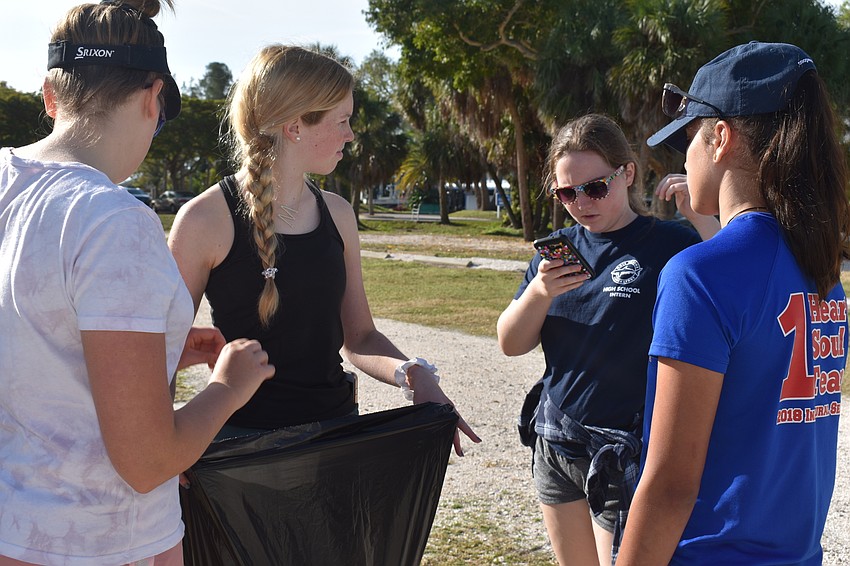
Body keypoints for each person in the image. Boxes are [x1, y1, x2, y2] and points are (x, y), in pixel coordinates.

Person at [0, 1, 275, 564]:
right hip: (101, 540)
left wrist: (163, 354)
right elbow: (148, 461)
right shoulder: (112, 218)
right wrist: (229, 386)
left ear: (51, 96)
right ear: (154, 98)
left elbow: (33, 353)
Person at [167, 45, 480, 455]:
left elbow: (360, 336)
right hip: (238, 456)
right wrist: (167, 447)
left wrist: (414, 373)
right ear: (296, 126)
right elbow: (162, 349)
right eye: (343, 121)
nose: (350, 135)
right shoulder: (203, 220)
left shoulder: (339, 214)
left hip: (333, 444)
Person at [617, 41, 850, 565]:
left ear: (720, 138)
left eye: (689, 139)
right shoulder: (822, 272)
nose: (685, 156)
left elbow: (671, 484)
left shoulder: (699, 275)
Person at [496, 113, 718, 566]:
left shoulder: (668, 243)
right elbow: (511, 342)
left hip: (622, 454)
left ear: (628, 173)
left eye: (595, 187)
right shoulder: (556, 251)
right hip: (555, 444)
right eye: (566, 192)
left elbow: (730, 280)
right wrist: (539, 292)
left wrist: (701, 219)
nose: (581, 202)